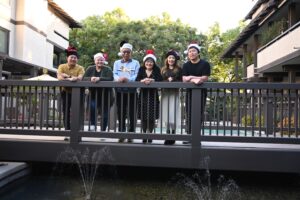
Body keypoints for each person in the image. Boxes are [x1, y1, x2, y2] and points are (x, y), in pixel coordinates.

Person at [182, 43, 211, 143]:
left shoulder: (205, 64)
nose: (191, 53)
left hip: (201, 92)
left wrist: (191, 77)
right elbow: (184, 79)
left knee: (199, 113)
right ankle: (189, 136)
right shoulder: (186, 65)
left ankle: (196, 136)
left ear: (198, 53)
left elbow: (205, 78)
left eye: (194, 51)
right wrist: (191, 78)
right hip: (189, 93)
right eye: (190, 51)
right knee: (189, 113)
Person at [113, 41, 140, 142]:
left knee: (132, 113)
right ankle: (121, 133)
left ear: (131, 53)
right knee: (121, 113)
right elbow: (114, 74)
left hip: (132, 92)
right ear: (121, 52)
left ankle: (131, 134)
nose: (126, 54)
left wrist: (129, 80)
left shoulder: (136, 63)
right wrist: (118, 79)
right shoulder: (117, 63)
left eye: (128, 52)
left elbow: (137, 75)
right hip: (120, 91)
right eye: (124, 52)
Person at [136, 50, 163, 143]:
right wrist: (143, 80)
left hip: (153, 95)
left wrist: (152, 80)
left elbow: (160, 80)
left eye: (151, 62)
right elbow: (137, 79)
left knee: (151, 117)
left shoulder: (157, 70)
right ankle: (144, 134)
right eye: (147, 61)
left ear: (153, 63)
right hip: (143, 95)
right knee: (143, 116)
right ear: (144, 62)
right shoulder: (141, 69)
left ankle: (150, 134)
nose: (149, 63)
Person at [83, 52, 114, 131]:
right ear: (95, 61)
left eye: (101, 60)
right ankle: (93, 124)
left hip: (106, 95)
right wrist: (91, 79)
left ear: (104, 61)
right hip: (93, 94)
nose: (100, 61)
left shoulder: (108, 69)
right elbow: (84, 78)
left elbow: (110, 78)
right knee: (92, 107)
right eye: (98, 60)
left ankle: (103, 128)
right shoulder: (90, 68)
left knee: (105, 112)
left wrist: (99, 79)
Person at [57, 46, 85, 130]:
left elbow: (79, 78)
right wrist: (71, 78)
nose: (73, 59)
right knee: (65, 111)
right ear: (67, 58)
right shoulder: (62, 66)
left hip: (78, 92)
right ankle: (67, 129)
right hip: (65, 91)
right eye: (71, 57)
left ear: (77, 59)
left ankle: (77, 129)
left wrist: (67, 76)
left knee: (77, 111)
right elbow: (60, 78)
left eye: (75, 57)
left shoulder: (80, 68)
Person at [160, 50, 182, 145]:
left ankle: (173, 135)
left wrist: (173, 80)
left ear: (175, 59)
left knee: (173, 114)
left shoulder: (179, 70)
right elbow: (160, 80)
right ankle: (167, 134)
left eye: (173, 58)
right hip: (165, 94)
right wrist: (166, 81)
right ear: (167, 59)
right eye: (169, 58)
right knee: (166, 114)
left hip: (174, 93)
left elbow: (181, 80)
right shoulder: (163, 70)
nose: (171, 59)